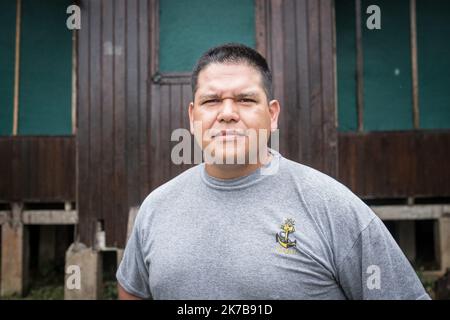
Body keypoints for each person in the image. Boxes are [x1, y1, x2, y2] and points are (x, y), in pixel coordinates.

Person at [116, 43, 430, 300]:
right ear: (192, 115)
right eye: (211, 101)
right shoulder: (157, 208)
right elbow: (132, 291)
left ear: (272, 114)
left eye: (245, 100)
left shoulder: (332, 207)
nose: (227, 114)